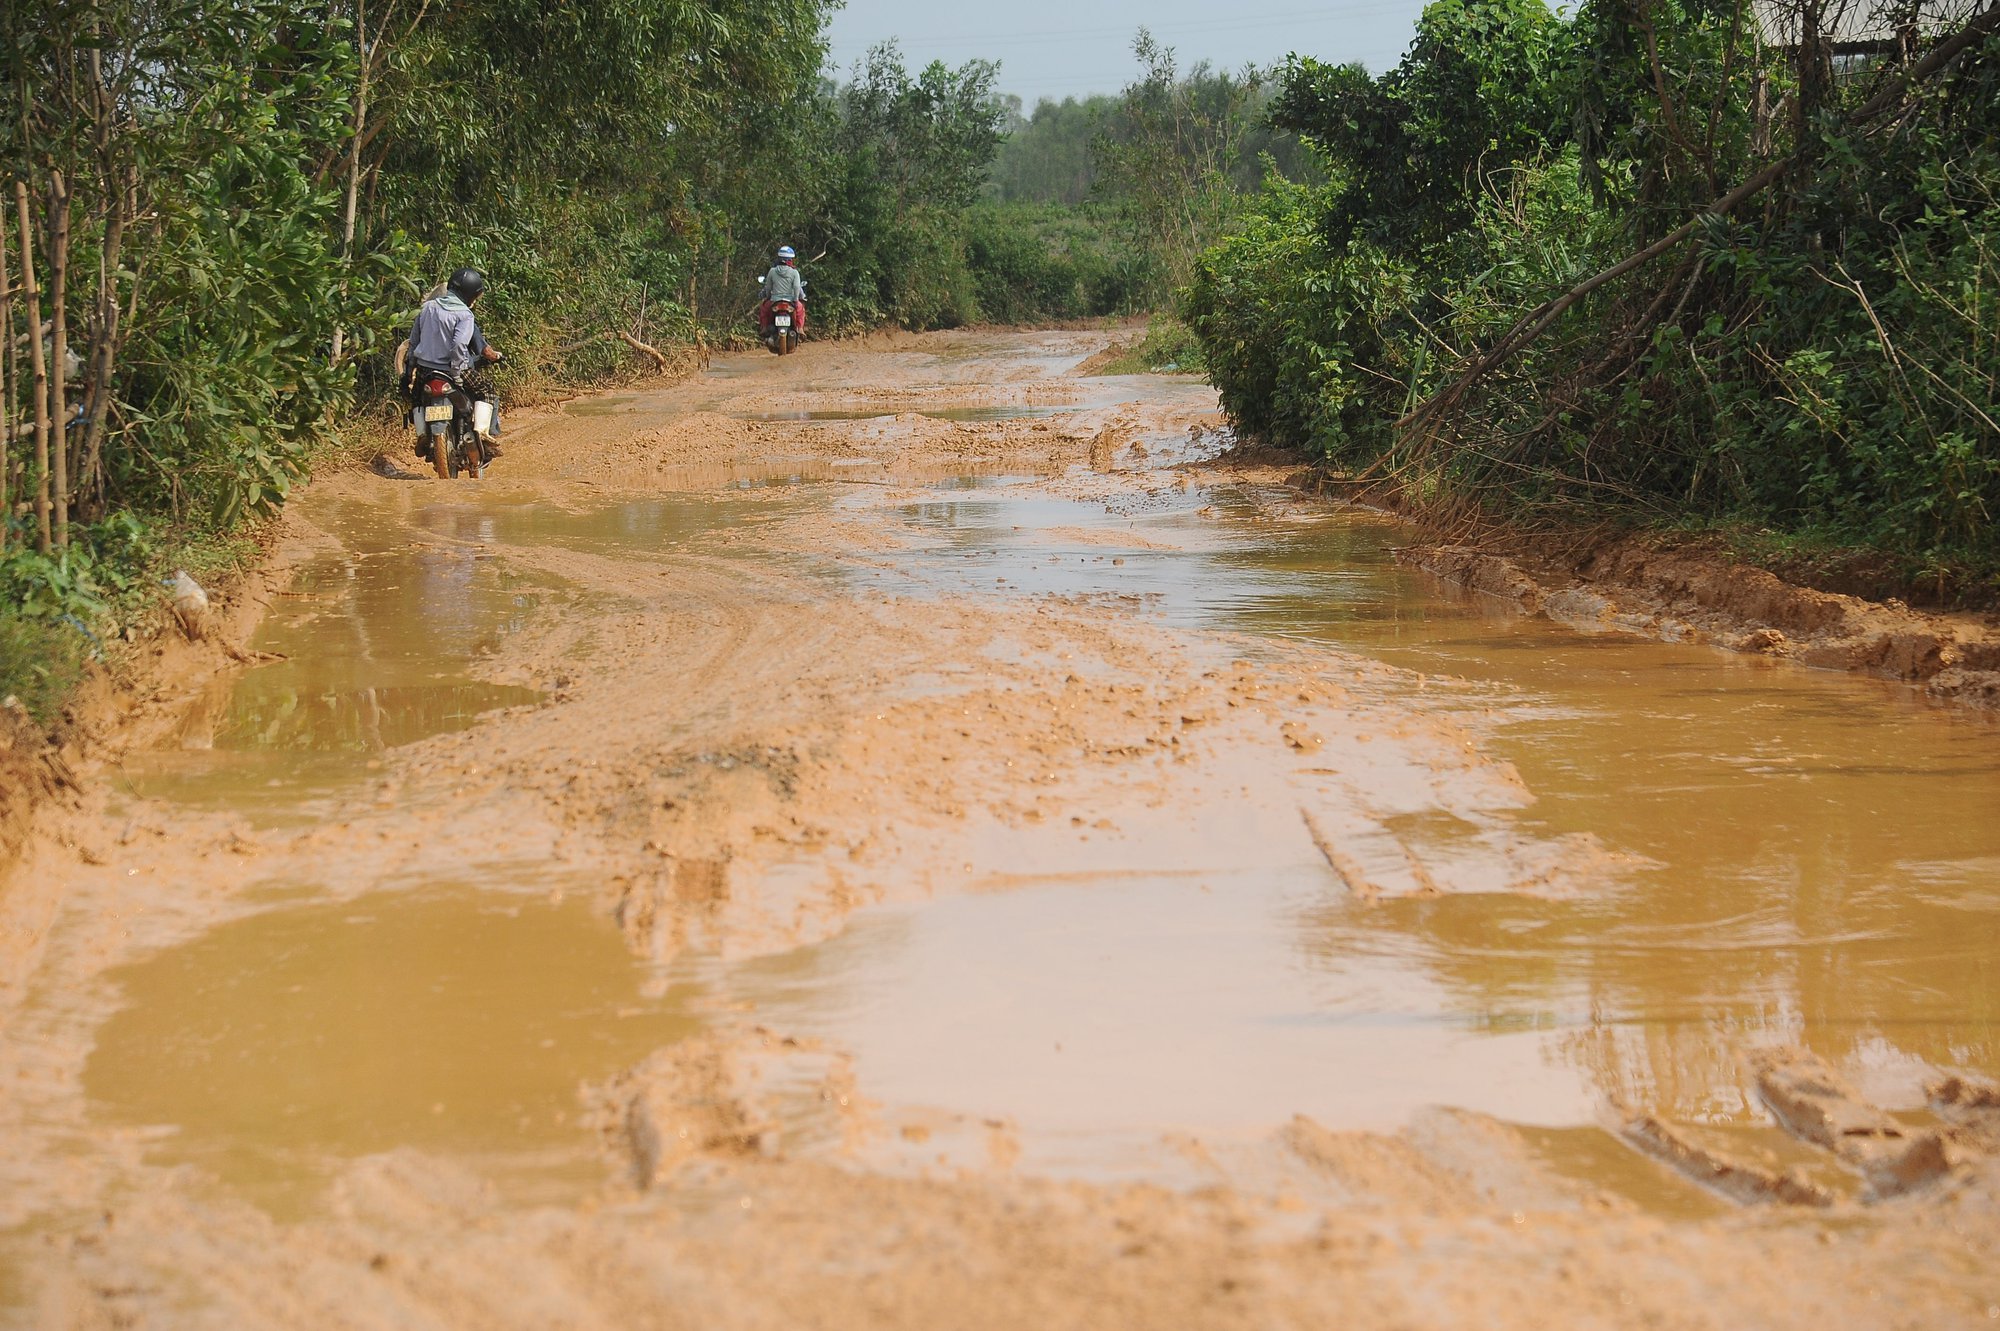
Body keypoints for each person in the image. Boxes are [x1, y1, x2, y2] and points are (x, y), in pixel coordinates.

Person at [403, 267, 504, 457]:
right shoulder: (465, 315)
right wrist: (456, 374)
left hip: (426, 371)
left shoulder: (427, 308)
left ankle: (421, 433)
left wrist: (410, 371)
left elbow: (413, 342)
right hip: (454, 371)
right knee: (488, 390)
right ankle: (484, 434)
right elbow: (459, 345)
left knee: (416, 397)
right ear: (471, 294)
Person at [759, 245, 807, 339]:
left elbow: (768, 287)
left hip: (774, 301)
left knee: (764, 308)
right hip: (791, 301)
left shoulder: (772, 271)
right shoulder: (794, 272)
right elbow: (797, 287)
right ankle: (800, 329)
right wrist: (796, 300)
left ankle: (764, 328)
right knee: (801, 310)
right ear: (790, 260)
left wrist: (768, 297)